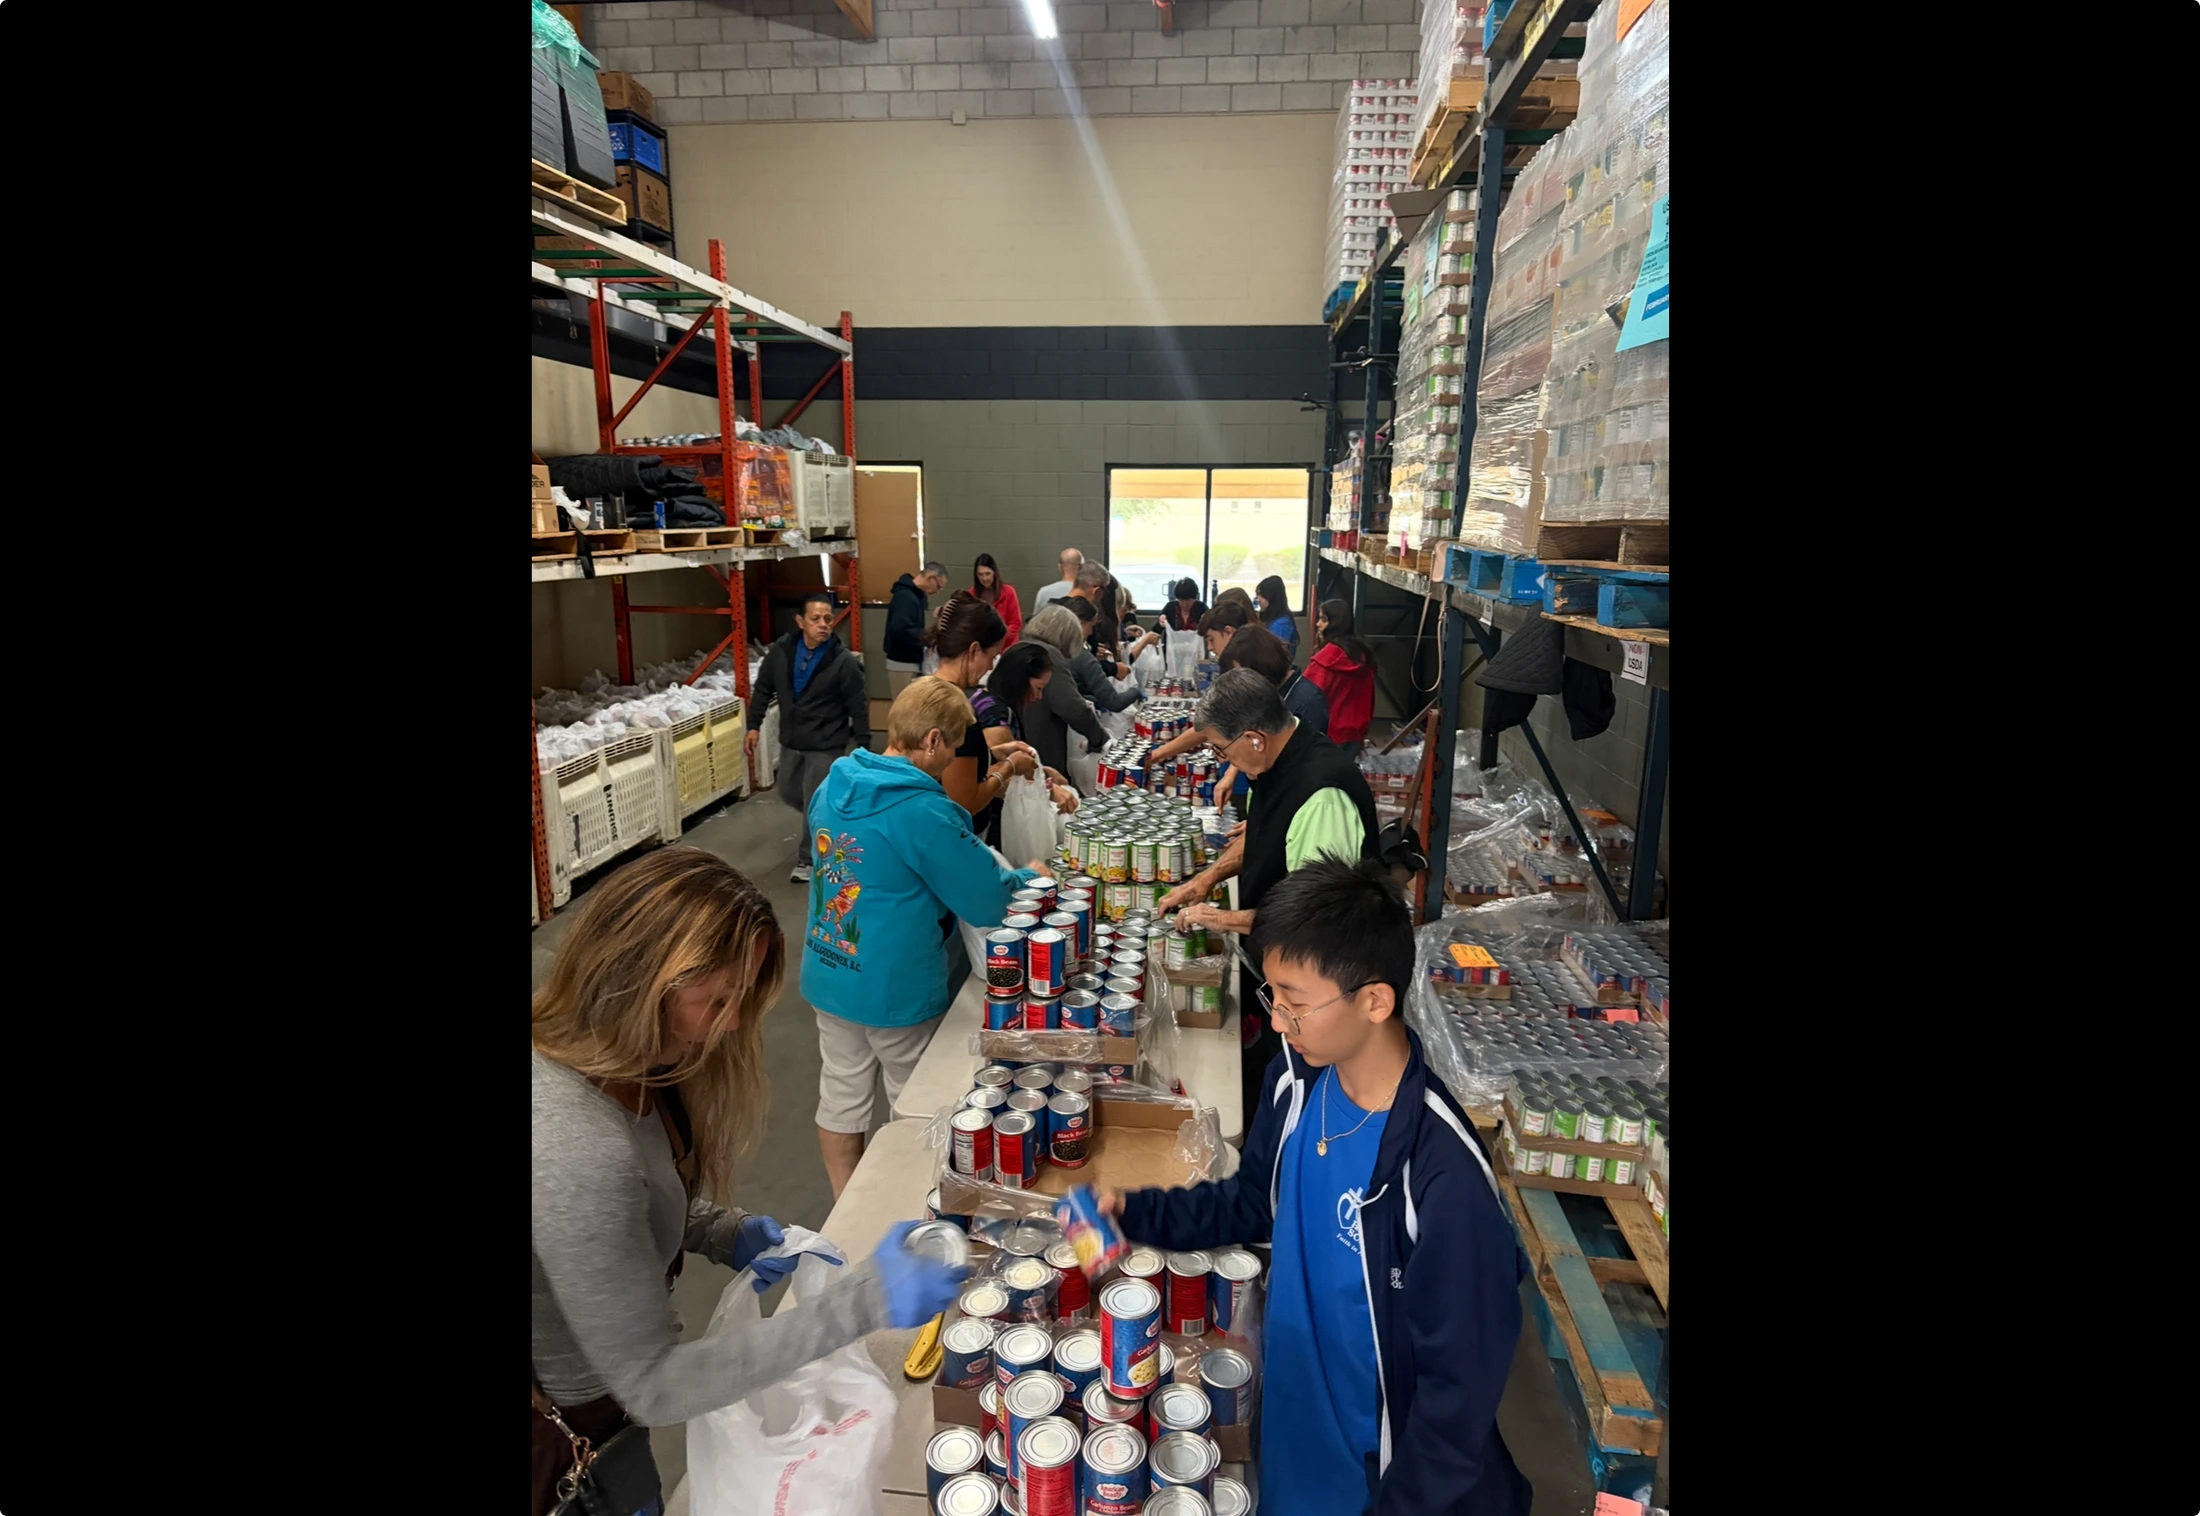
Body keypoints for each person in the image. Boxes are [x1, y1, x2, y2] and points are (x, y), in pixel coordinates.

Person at [531, 848, 968, 1514]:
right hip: (578, 1436)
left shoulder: (631, 1064)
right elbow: (655, 1384)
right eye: (718, 999)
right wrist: (859, 1305)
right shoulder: (574, 1145)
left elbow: (638, 1195)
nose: (733, 1023)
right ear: (641, 979)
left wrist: (722, 1231)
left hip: (609, 1420)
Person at [1094, 858, 1531, 1516]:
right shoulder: (1297, 1082)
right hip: (1292, 1438)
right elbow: (1249, 1204)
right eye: (1274, 998)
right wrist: (1135, 1212)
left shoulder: (1441, 1179)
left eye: (1294, 1003)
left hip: (1372, 1482)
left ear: (1375, 1000)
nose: (1277, 1022)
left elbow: (1455, 1404)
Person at [801, 678, 1048, 1197]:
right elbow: (986, 899)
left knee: (841, 1093)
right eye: (955, 747)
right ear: (933, 740)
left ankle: (847, 1210)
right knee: (914, 1104)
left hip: (831, 966)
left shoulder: (836, 782)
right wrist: (1032, 875)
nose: (955, 759)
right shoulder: (919, 809)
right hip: (893, 984)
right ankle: (911, 1206)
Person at [1156, 668, 1379, 1118]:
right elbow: (1263, 837)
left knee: (1304, 1097)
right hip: (1280, 971)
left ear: (1254, 737)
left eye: (1223, 749)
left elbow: (1313, 922)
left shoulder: (1322, 794)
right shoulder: (1277, 763)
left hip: (1323, 986)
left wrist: (1220, 920)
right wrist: (1207, 878)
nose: (1223, 760)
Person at [747, 591, 870, 883]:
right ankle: (832, 818)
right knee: (789, 792)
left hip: (827, 743)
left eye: (828, 619)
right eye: (815, 619)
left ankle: (807, 860)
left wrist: (864, 745)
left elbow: (858, 704)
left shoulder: (842, 661)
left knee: (813, 801)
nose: (823, 624)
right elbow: (764, 687)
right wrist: (753, 725)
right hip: (792, 740)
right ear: (800, 621)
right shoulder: (782, 652)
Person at [929, 592, 1041, 846]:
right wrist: (1008, 768)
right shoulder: (955, 711)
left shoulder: (923, 691)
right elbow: (964, 801)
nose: (990, 667)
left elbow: (944, 764)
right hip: (951, 838)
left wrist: (994, 754)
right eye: (991, 657)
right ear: (974, 650)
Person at [1017, 605, 1113, 783]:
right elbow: (1073, 708)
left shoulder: (1019, 649)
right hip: (1043, 744)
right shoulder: (1049, 656)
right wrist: (1099, 739)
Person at [1221, 623, 1329, 739]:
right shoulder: (1273, 693)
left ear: (1261, 666)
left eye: (1244, 677)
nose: (1242, 684)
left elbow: (1299, 755)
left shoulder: (1307, 701)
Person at [1306, 597, 1377, 754]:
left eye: (1323, 619)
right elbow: (1370, 697)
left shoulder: (1325, 661)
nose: (1318, 624)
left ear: (1335, 622)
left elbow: (1307, 698)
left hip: (1328, 733)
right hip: (1355, 733)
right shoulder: (1363, 655)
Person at [1057, 597, 1144, 712]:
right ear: (1080, 624)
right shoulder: (1081, 656)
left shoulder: (1053, 648)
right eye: (1091, 626)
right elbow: (1115, 702)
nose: (1091, 632)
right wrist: (1137, 691)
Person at [884, 561, 948, 695]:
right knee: (904, 710)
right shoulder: (906, 597)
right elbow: (901, 631)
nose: (937, 592)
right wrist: (928, 637)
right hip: (902, 663)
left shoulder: (914, 597)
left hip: (909, 662)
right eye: (938, 587)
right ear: (930, 578)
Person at [972, 552, 1023, 646]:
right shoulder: (972, 594)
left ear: (994, 573)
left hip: (1006, 646)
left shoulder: (1008, 592)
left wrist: (998, 637)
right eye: (980, 574)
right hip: (982, 646)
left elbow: (1016, 623)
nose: (984, 578)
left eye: (988, 574)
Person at [1255, 573, 1299, 657]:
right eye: (1257, 595)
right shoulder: (1274, 619)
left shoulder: (1280, 625)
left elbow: (1275, 656)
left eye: (1261, 595)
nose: (1258, 599)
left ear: (1272, 596)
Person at [1032, 546, 1084, 615]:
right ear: (1081, 567)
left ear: (1059, 567)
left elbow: (1036, 621)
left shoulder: (1044, 592)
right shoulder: (1087, 592)